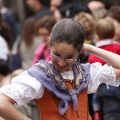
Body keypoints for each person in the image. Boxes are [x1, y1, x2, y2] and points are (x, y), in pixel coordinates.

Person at [0, 18, 120, 120]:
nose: (62, 63)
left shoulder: (85, 73)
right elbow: (2, 102)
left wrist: (90, 48)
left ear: (79, 52)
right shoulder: (39, 76)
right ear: (50, 45)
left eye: (69, 57)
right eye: (57, 54)